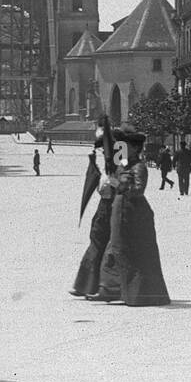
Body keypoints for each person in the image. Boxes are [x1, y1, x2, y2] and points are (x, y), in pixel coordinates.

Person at [92, 126, 170, 306]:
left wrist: (116, 183)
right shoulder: (123, 164)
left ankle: (136, 292)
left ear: (134, 148)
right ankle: (110, 289)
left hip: (133, 213)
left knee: (127, 250)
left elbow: (137, 191)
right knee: (114, 249)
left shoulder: (139, 167)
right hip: (119, 210)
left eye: (125, 146)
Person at [72, 123, 118, 297]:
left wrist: (113, 179)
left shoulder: (120, 160)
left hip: (114, 206)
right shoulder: (102, 162)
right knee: (97, 243)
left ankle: (105, 287)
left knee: (107, 247)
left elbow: (122, 181)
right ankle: (85, 285)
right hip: (103, 207)